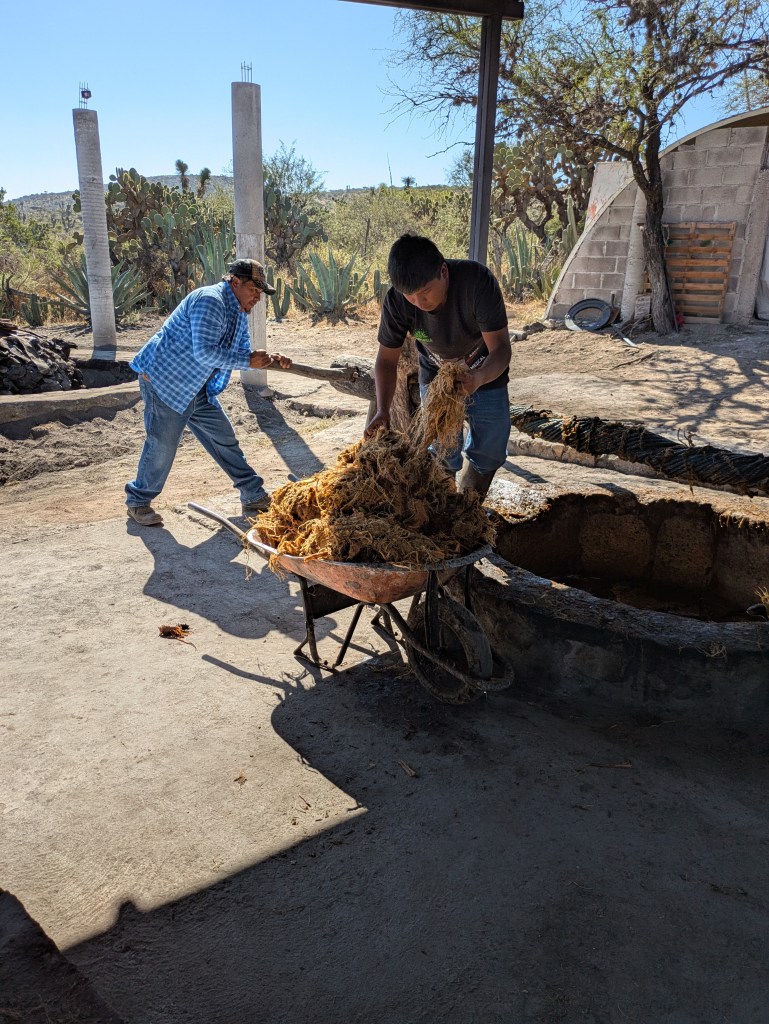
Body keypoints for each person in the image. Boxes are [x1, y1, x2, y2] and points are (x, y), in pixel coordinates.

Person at [124, 258, 292, 527]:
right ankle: (138, 502)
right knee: (162, 445)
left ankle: (253, 494)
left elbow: (241, 351)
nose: (258, 298)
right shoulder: (210, 300)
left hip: (195, 386)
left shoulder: (238, 311)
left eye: (261, 293)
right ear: (235, 282)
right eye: (254, 290)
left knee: (223, 439)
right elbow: (205, 353)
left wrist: (267, 358)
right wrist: (249, 360)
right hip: (165, 381)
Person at [367, 233, 511, 500]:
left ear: (443, 271)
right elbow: (386, 360)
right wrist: (382, 410)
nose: (419, 303)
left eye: (425, 293)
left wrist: (478, 378)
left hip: (485, 369)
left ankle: (471, 501)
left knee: (490, 448)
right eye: (410, 296)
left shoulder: (476, 283)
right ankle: (445, 503)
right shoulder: (397, 301)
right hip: (436, 375)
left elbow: (501, 349)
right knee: (443, 448)